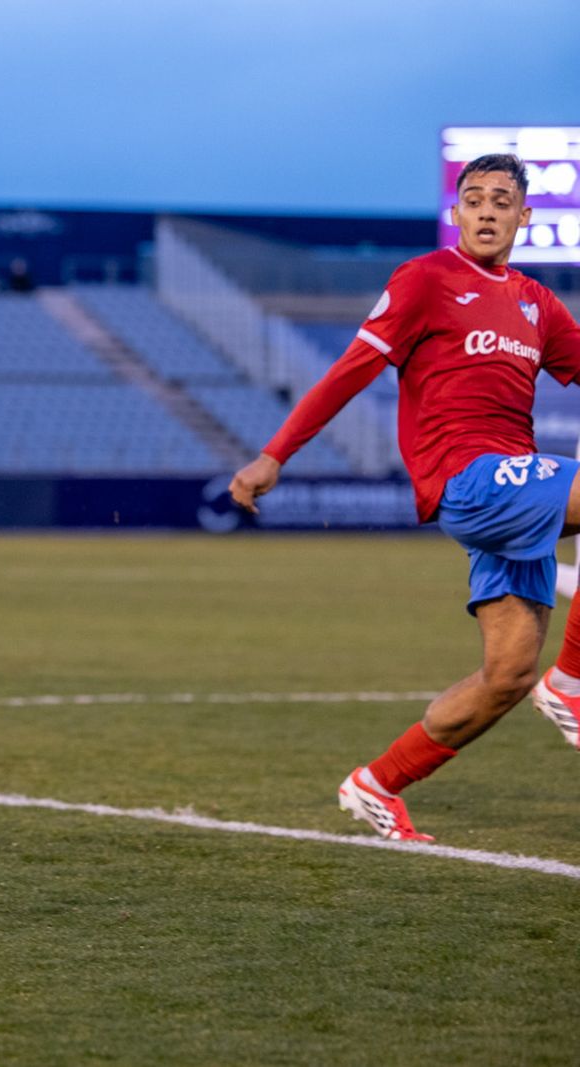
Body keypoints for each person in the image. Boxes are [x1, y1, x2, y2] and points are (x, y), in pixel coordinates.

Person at [229, 154, 580, 843]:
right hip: (470, 479)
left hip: (516, 493)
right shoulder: (426, 279)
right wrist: (276, 452)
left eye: (501, 201)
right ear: (456, 214)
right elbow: (353, 367)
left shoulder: (538, 304)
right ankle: (570, 682)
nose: (485, 210)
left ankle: (377, 783)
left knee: (505, 677)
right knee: (541, 676)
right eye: (472, 198)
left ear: (524, 218)